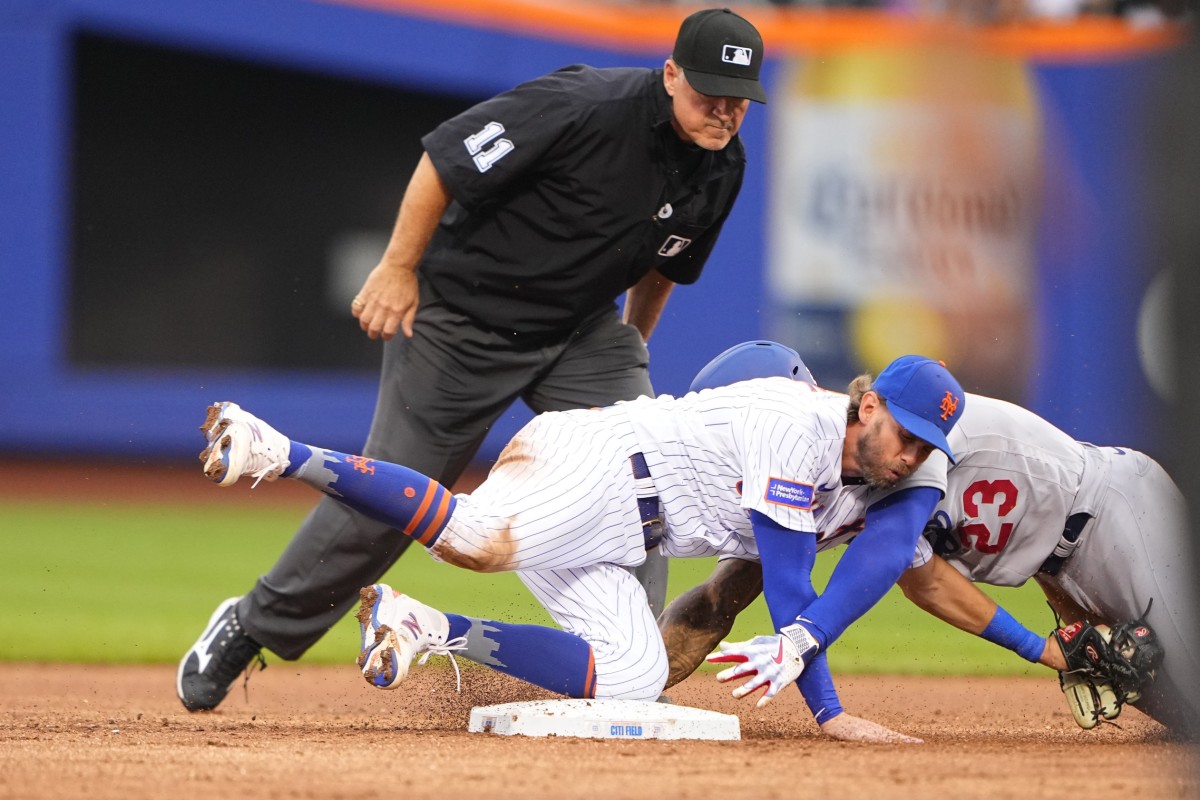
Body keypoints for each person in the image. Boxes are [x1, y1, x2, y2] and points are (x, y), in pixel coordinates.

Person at [176, 7, 769, 711]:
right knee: (394, 501)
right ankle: (251, 625)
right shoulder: (583, 105)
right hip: (462, 321)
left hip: (578, 332)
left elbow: (664, 264)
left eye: (738, 100)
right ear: (670, 75)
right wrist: (399, 268)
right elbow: (446, 159)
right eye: (709, 94)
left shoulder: (720, 164)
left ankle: (624, 667)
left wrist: (633, 339)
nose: (724, 112)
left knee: (645, 473)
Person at [193, 354, 965, 714]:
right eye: (907, 433)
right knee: (473, 536)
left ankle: (423, 625)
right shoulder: (800, 424)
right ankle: (278, 449)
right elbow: (793, 588)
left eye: (928, 448)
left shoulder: (862, 478)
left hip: (623, 532)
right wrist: (830, 715)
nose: (912, 455)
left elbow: (801, 576)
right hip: (598, 468)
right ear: (867, 406)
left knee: (634, 677)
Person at [661, 341, 1199, 740]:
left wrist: (1039, 650)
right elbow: (725, 595)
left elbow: (893, 554)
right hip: (1054, 566)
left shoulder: (904, 431)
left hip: (1112, 511)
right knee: (1177, 715)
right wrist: (640, 681)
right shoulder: (822, 473)